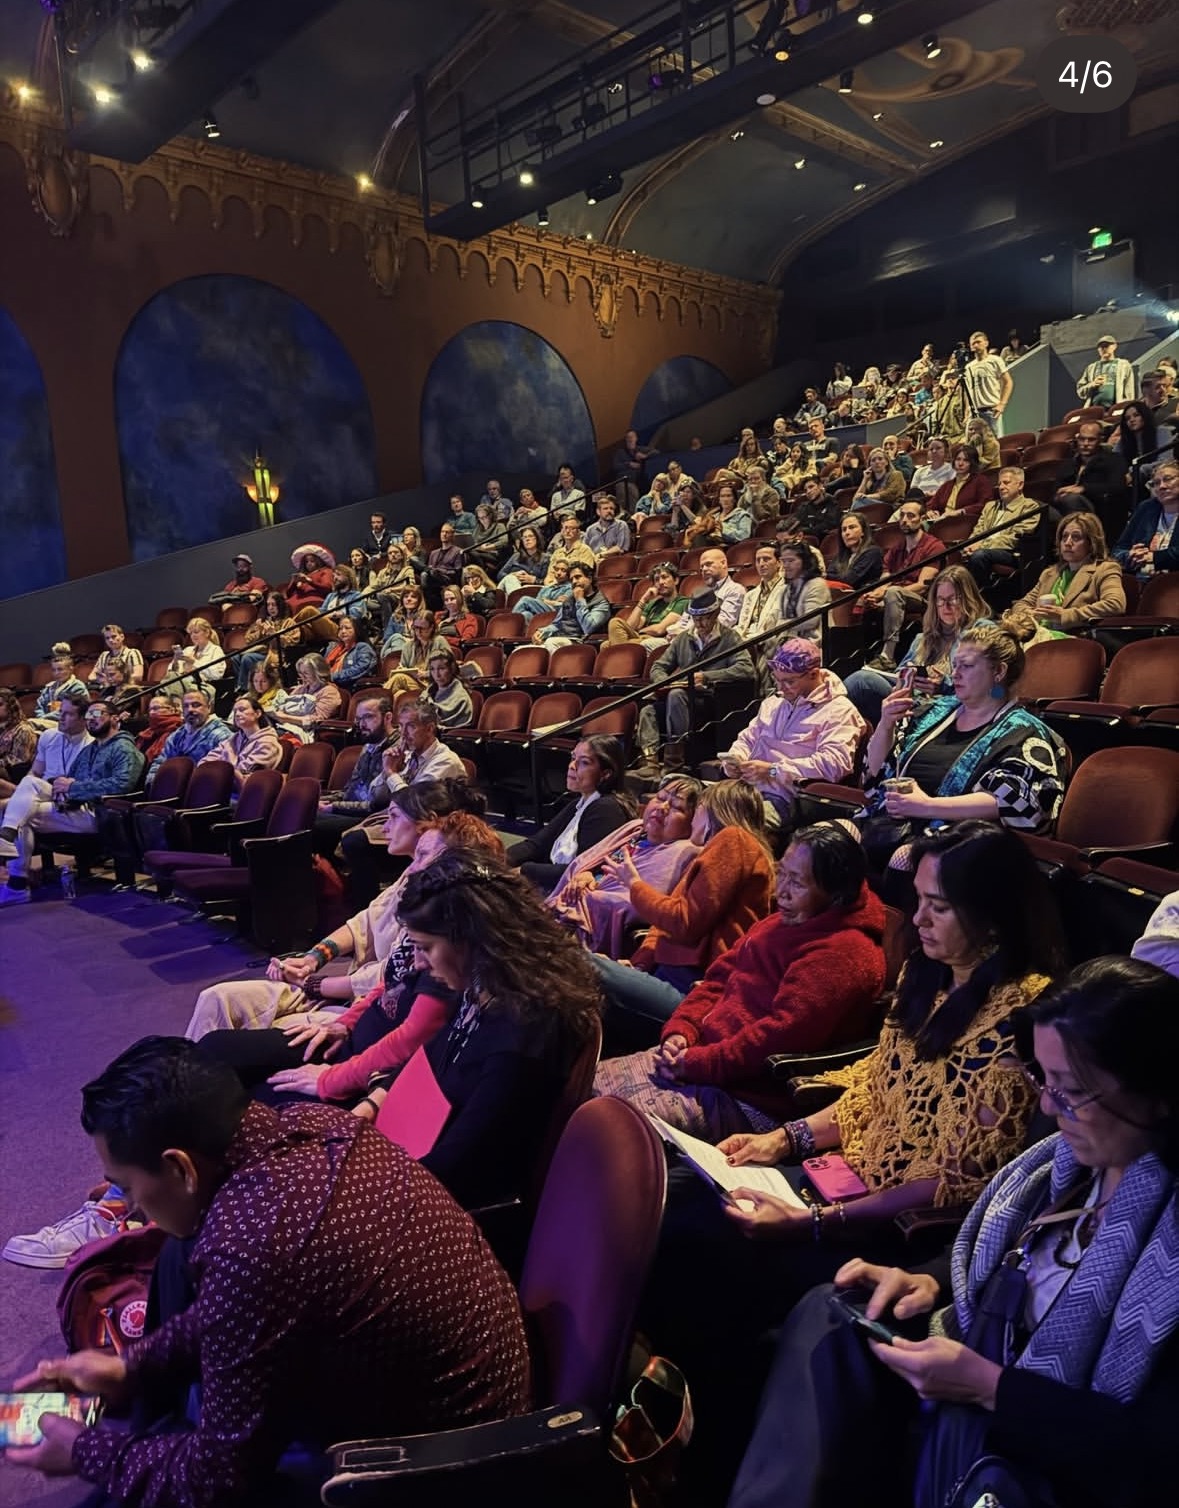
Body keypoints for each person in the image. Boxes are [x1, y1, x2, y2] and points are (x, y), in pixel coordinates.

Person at [638, 822, 1061, 1500]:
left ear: (992, 911)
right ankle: (673, 1433)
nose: (916, 919)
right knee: (669, 1201)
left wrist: (815, 1221)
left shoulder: (1022, 1015)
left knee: (696, 1248)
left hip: (893, 1228)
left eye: (938, 906)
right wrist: (782, 1142)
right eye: (917, 899)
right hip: (836, 1186)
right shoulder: (927, 983)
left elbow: (956, 1180)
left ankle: (708, 1461)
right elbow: (870, 1095)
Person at [730, 954, 1179, 1508]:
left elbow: (1156, 1457)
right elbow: (1008, 1255)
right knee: (835, 1311)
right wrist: (929, 1281)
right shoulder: (1061, 1168)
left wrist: (992, 1389)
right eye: (1043, 1078)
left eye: (1069, 1090)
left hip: (1046, 1447)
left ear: (1159, 1092)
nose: (1046, 1105)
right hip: (979, 1374)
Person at [3, 1037, 531, 1506]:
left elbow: (217, 1479)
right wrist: (133, 1366)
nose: (131, 1205)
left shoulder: (251, 1249)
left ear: (181, 1168)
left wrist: (87, 1452)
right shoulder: (318, 1124)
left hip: (436, 1466)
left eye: (125, 1185)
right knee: (175, 1262)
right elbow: (240, 1308)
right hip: (469, 1392)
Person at [593, 821, 881, 1136]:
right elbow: (717, 979)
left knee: (602, 1121)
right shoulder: (779, 923)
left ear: (836, 896)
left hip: (749, 1097)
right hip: (701, 1059)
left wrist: (695, 1063)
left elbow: (776, 1039)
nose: (780, 891)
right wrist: (681, 1032)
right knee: (578, 1083)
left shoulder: (845, 954)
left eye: (796, 883)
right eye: (780, 873)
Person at [860, 626, 1067, 866]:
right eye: (955, 665)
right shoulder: (934, 711)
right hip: (890, 823)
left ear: (998, 672)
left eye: (966, 666)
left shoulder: (1024, 730)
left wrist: (927, 807)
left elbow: (1012, 801)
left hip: (960, 840)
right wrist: (885, 724)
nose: (955, 674)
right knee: (825, 839)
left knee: (904, 858)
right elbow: (875, 776)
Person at [590, 778, 775, 1018]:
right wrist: (638, 965)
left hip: (690, 988)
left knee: (573, 961)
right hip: (668, 975)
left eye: (694, 809)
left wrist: (635, 885)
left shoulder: (734, 839)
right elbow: (668, 924)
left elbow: (683, 922)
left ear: (710, 810)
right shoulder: (718, 849)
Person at [0, 697, 144, 904]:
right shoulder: (91, 750)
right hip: (74, 807)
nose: (91, 719)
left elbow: (122, 785)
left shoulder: (124, 748)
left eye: (97, 714)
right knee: (27, 795)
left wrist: (73, 787)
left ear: (114, 719)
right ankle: (15, 873)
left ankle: (15, 882)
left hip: (99, 813)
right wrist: (62, 786)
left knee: (21, 812)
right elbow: (71, 779)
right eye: (89, 716)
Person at [547, 776, 701, 957]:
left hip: (587, 930)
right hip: (567, 908)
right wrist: (587, 873)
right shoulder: (634, 829)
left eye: (676, 807)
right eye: (660, 797)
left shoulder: (683, 852)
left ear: (692, 823)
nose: (662, 807)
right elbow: (587, 863)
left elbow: (636, 905)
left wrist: (590, 894)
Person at [719, 638, 866, 825]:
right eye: (777, 680)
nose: (780, 688)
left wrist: (773, 771)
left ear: (814, 674)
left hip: (789, 800)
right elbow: (747, 739)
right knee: (697, 805)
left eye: (789, 681)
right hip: (748, 790)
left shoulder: (839, 710)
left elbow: (835, 764)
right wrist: (735, 759)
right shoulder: (774, 703)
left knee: (727, 821)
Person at [846, 565, 991, 725]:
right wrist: (906, 680)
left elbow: (988, 683)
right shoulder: (922, 638)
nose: (946, 606)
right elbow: (900, 673)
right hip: (914, 700)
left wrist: (944, 685)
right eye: (940, 600)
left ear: (968, 598)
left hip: (948, 704)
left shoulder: (981, 630)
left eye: (953, 599)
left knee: (861, 682)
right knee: (855, 681)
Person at [636, 590, 756, 772]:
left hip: (711, 700)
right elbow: (658, 666)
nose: (699, 623)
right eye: (695, 618)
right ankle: (650, 763)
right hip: (682, 695)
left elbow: (746, 669)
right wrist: (665, 681)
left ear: (715, 615)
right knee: (648, 710)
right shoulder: (683, 638)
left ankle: (674, 763)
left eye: (704, 618)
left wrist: (708, 677)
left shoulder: (730, 637)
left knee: (676, 696)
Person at [508, 735, 634, 893]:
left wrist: (525, 870)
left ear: (606, 774)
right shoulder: (578, 803)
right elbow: (536, 844)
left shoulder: (607, 809)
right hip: (551, 882)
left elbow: (581, 869)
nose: (572, 766)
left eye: (584, 762)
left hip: (569, 892)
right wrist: (497, 858)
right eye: (573, 758)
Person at [1009, 512, 1124, 638]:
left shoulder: (1104, 569)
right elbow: (1021, 603)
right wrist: (1030, 613)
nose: (1068, 543)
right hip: (1037, 634)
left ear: (1091, 543)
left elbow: (1115, 604)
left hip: (1072, 638)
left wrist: (1065, 615)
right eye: (1064, 537)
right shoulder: (1050, 573)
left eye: (1076, 537)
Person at [861, 498, 945, 671]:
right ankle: (862, 655)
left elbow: (923, 585)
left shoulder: (933, 546)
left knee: (893, 593)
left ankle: (888, 655)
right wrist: (877, 593)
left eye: (911, 516)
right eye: (902, 515)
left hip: (923, 601)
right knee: (866, 596)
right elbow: (885, 579)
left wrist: (887, 593)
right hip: (895, 596)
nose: (905, 520)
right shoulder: (897, 548)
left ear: (921, 519)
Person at [959, 464, 1039, 585]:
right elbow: (978, 530)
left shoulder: (1029, 506)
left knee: (980, 555)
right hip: (984, 550)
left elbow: (1014, 539)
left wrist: (982, 545)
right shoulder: (990, 506)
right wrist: (971, 544)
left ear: (1020, 485)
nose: (1001, 487)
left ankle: (982, 597)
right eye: (999, 483)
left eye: (1006, 483)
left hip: (1011, 553)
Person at [144, 687, 231, 787]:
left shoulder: (221, 736)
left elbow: (221, 774)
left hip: (200, 792)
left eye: (196, 705)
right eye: (186, 706)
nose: (190, 710)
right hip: (171, 790)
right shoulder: (177, 735)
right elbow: (161, 761)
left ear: (209, 707)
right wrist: (152, 782)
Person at [1055, 421, 1129, 536]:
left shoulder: (1113, 460)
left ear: (1100, 440)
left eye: (1091, 440)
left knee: (1071, 499)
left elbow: (1117, 486)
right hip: (1063, 508)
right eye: (1082, 439)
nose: (1085, 444)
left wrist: (1083, 488)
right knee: (1037, 508)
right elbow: (1057, 487)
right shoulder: (1069, 463)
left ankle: (1084, 540)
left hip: (1099, 509)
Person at [197, 694, 283, 791]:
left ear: (257, 713)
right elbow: (205, 762)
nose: (237, 714)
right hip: (221, 787)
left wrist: (221, 769)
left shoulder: (268, 743)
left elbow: (244, 773)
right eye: (235, 711)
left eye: (242, 710)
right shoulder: (234, 739)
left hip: (243, 795)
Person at [1112, 458, 1179, 578]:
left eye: (1168, 479)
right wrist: (1131, 555)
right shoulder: (1146, 508)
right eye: (1156, 483)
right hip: (1142, 581)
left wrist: (1152, 557)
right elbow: (1118, 550)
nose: (1162, 486)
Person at [608, 561, 689, 648]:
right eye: (657, 579)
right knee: (605, 645)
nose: (661, 582)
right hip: (642, 638)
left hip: (658, 640)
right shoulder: (653, 603)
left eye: (664, 577)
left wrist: (640, 631)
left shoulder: (682, 602)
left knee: (615, 623)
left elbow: (660, 630)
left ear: (676, 580)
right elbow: (631, 626)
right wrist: (643, 600)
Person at [268, 654, 343, 744]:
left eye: (306, 673)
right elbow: (284, 705)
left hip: (307, 732)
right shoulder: (301, 688)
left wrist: (285, 718)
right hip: (285, 726)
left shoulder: (329, 692)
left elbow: (317, 720)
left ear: (319, 673)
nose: (302, 677)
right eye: (300, 673)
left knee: (271, 737)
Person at [532, 562, 609, 649]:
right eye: (571, 579)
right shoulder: (569, 600)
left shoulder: (601, 602)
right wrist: (542, 631)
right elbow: (558, 624)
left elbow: (588, 627)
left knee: (551, 643)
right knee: (524, 649)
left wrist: (580, 600)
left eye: (578, 577)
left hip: (581, 641)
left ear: (590, 578)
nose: (574, 582)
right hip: (562, 638)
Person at [1114, 399, 1174, 507]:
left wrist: (1136, 471)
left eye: (1136, 415)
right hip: (1131, 483)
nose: (1132, 420)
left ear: (1144, 416)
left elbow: (1165, 462)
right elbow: (1113, 461)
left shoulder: (1162, 432)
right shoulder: (1123, 441)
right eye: (1127, 418)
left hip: (1156, 479)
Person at [235, 590, 299, 690]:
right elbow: (248, 639)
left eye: (273, 605)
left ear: (280, 606)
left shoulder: (289, 622)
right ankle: (243, 685)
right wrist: (260, 632)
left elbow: (292, 641)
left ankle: (243, 689)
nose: (270, 608)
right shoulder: (263, 621)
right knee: (235, 658)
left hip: (277, 655)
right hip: (263, 652)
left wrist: (274, 634)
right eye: (268, 605)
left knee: (247, 658)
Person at [778, 541, 831, 644]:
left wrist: (782, 624)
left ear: (805, 561)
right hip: (790, 642)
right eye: (783, 561)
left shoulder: (817, 584)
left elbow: (810, 621)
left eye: (791, 561)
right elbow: (781, 619)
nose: (786, 565)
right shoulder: (785, 589)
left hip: (814, 644)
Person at [384, 612, 448, 696]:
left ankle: (378, 699)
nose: (418, 632)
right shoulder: (409, 646)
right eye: (415, 628)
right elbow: (403, 666)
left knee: (399, 678)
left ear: (431, 627)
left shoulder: (439, 641)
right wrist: (401, 668)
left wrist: (426, 674)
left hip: (432, 684)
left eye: (422, 628)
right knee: (399, 694)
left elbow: (448, 668)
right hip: (414, 683)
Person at [964, 329, 1013, 434]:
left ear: (986, 343)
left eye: (978, 342)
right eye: (973, 343)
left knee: (994, 444)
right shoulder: (968, 367)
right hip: (974, 413)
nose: (976, 345)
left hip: (991, 410)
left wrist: (1002, 404)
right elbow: (968, 390)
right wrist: (967, 410)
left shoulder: (995, 360)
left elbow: (1008, 382)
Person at [166, 617, 231, 698]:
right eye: (191, 633)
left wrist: (194, 663)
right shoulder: (188, 650)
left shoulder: (216, 650)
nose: (193, 636)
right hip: (183, 683)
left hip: (203, 685)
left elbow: (216, 675)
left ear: (207, 633)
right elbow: (170, 673)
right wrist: (175, 660)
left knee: (169, 686)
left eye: (196, 632)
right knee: (169, 680)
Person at [928, 443, 995, 516]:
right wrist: (930, 512)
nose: (960, 463)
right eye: (958, 459)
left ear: (972, 463)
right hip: (942, 520)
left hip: (964, 521)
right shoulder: (947, 485)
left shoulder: (981, 481)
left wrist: (961, 511)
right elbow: (931, 505)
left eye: (966, 460)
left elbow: (986, 504)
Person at [31, 643, 87, 729]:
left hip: (66, 723)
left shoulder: (77, 687)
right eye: (54, 670)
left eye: (60, 669)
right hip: (45, 722)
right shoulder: (49, 687)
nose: (56, 673)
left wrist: (44, 718)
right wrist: (41, 717)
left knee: (29, 723)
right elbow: (39, 706)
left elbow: (73, 711)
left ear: (71, 668)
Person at [825, 512, 882, 591]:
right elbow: (828, 576)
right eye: (844, 529)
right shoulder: (840, 556)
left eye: (852, 527)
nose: (847, 533)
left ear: (863, 532)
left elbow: (850, 580)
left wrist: (830, 576)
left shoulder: (873, 552)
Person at [0, 688, 39, 800]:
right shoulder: (2, 729)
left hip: (13, 774)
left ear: (11, 707)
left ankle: (19, 796)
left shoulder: (23, 730)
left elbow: (18, 761)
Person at [1077, 332, 1136, 405]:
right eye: (1101, 347)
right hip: (1094, 409)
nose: (1104, 349)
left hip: (1116, 407)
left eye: (1106, 346)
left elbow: (1129, 389)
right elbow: (1080, 391)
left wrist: (1128, 405)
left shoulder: (1124, 365)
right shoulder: (1091, 368)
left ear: (1114, 346)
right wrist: (1092, 384)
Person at [324, 614, 378, 691]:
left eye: (347, 628)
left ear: (357, 629)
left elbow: (360, 669)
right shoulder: (334, 647)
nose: (343, 631)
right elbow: (322, 667)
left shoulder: (363, 648)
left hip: (348, 688)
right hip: (328, 684)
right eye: (340, 628)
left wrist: (332, 677)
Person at [424, 649, 473, 729]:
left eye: (441, 669)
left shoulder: (461, 698)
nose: (437, 674)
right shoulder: (427, 693)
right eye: (432, 669)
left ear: (452, 669)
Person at [87, 624, 144, 692]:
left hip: (127, 690)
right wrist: (104, 680)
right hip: (107, 689)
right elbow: (91, 676)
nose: (110, 640)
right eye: (107, 638)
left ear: (122, 637)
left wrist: (114, 680)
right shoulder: (104, 655)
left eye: (113, 636)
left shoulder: (133, 653)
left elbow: (138, 676)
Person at [497, 524, 550, 596]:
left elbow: (548, 581)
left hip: (532, 588)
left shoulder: (545, 558)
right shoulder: (516, 556)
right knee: (510, 579)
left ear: (537, 539)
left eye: (530, 536)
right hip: (511, 585)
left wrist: (534, 580)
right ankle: (518, 600)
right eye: (524, 537)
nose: (527, 539)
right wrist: (513, 575)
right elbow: (500, 575)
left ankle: (517, 600)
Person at [424, 522, 464, 609]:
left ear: (452, 535)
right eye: (442, 532)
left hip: (447, 578)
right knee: (426, 573)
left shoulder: (458, 552)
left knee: (429, 573)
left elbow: (457, 572)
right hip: (433, 578)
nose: (444, 534)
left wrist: (440, 571)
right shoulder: (433, 553)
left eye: (447, 532)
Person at [543, 514, 597, 580]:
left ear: (578, 532)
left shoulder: (585, 550)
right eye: (566, 528)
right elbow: (549, 576)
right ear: (561, 531)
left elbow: (583, 576)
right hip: (555, 587)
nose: (568, 531)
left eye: (572, 528)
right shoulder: (557, 553)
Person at [468, 501, 510, 575]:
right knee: (467, 555)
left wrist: (487, 548)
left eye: (484, 517)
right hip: (479, 552)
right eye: (480, 518)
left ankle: (481, 575)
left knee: (473, 554)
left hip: (494, 554)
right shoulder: (477, 529)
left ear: (490, 515)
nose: (482, 520)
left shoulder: (499, 526)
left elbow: (504, 541)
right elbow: (474, 542)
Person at [614, 427, 652, 506]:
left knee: (634, 501)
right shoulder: (620, 452)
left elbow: (656, 452)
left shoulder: (640, 449)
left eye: (632, 437)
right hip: (622, 481)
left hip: (634, 482)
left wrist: (645, 455)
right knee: (622, 502)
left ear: (636, 438)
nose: (630, 439)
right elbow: (615, 466)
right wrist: (628, 464)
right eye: (628, 437)